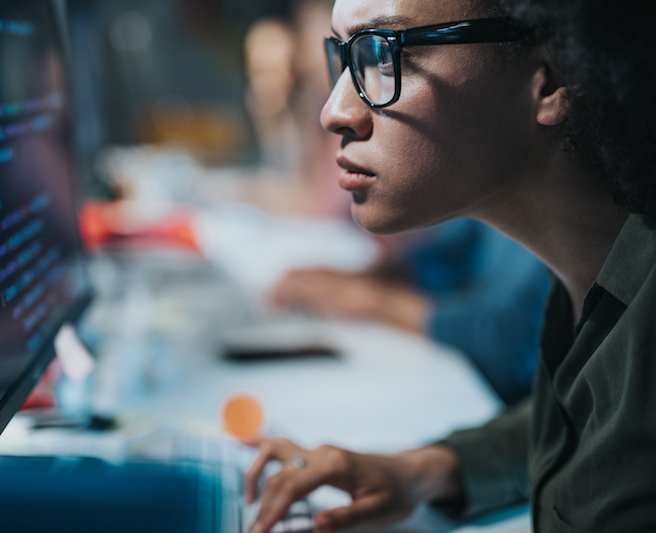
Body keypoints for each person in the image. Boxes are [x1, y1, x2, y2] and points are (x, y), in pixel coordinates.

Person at [245, 0, 656, 531]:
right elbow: (584, 418)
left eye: (385, 55)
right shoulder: (589, 278)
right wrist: (424, 470)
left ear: (555, 78)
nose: (335, 111)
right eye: (343, 57)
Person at [272, 218, 551, 405]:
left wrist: (375, 300)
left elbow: (510, 338)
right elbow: (444, 256)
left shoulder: (552, 211)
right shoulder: (498, 183)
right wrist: (365, 278)